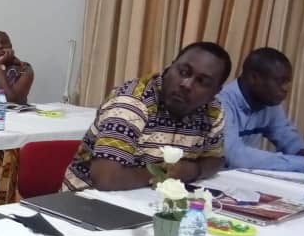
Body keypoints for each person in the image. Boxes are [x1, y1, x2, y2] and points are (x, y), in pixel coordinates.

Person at [63, 42, 232, 192]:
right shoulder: (133, 102)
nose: (186, 84)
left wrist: (193, 171)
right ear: (169, 68)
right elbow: (106, 179)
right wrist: (166, 173)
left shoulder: (212, 111)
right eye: (183, 72)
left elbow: (215, 161)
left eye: (202, 82)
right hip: (87, 201)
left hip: (151, 198)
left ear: (215, 92)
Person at [219, 48, 304, 174]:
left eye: (288, 82)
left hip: (239, 178)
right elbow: (234, 156)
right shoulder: (220, 102)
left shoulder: (268, 104)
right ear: (254, 78)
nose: (286, 88)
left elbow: (289, 140)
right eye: (280, 81)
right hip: (213, 181)